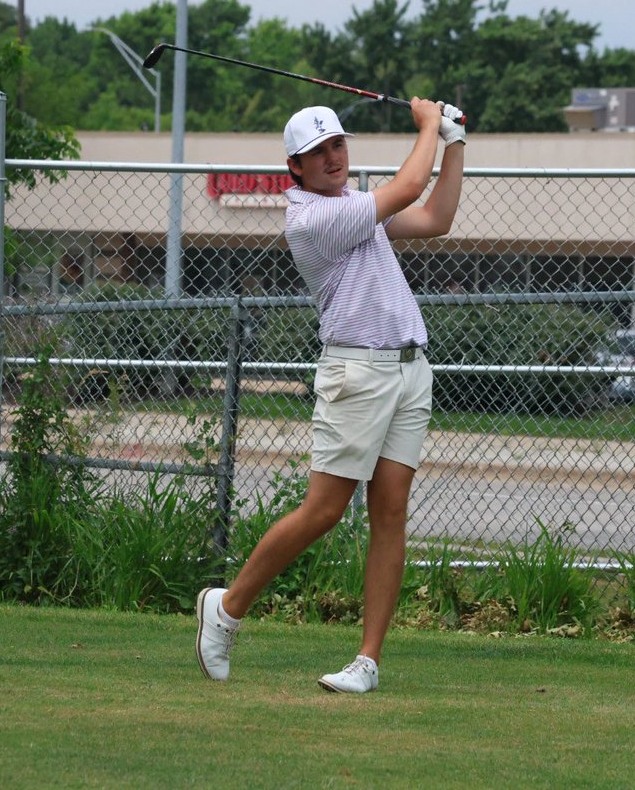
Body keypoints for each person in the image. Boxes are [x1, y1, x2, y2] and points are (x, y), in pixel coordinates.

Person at [195, 98, 467, 693]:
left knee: (390, 511)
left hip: (408, 369)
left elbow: (437, 216)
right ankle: (227, 608)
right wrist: (427, 125)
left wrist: (454, 140)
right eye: (319, 152)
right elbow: (408, 186)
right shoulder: (313, 220)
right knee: (324, 511)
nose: (333, 157)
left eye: (338, 145)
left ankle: (366, 662)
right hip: (357, 372)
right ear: (295, 167)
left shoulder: (351, 205)